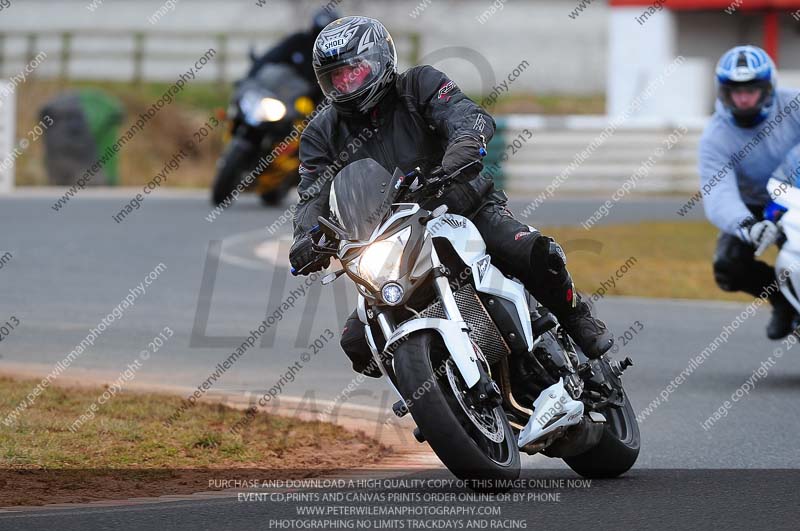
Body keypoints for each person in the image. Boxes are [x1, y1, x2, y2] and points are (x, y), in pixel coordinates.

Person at [288, 16, 613, 376]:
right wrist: (305, 238)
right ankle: (438, 396)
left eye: (355, 71)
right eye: (337, 77)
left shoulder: (418, 86)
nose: (347, 83)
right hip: (390, 239)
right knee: (356, 342)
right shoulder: (321, 132)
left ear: (380, 60)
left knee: (534, 252)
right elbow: (312, 196)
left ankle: (578, 320)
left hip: (462, 206)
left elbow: (465, 115)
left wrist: (465, 145)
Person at [699, 45, 800, 339]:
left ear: (767, 88)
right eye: (735, 90)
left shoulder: (794, 104)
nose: (743, 98)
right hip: (755, 208)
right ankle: (783, 302)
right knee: (728, 267)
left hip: (797, 195)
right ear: (723, 92)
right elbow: (718, 193)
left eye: (751, 89)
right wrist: (748, 227)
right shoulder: (714, 137)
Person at [246, 7, 341, 102]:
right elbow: (272, 56)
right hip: (290, 99)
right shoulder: (298, 41)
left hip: (324, 100)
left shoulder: (340, 50)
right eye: (317, 34)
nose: (320, 40)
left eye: (326, 35)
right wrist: (251, 77)